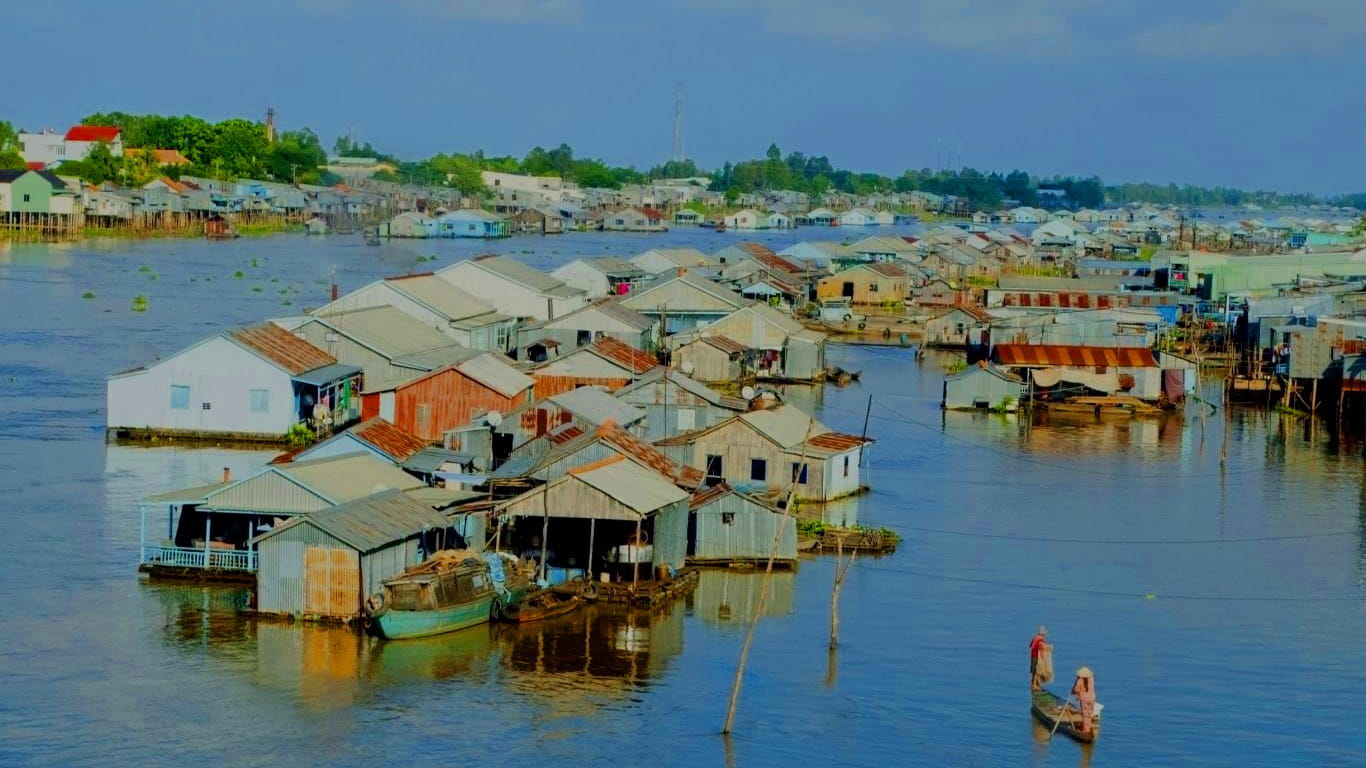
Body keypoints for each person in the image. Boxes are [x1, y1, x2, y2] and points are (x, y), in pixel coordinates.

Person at [1071, 667, 1097, 734]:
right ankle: (1088, 727)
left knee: (1085, 715)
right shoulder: (1092, 678)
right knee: (1090, 713)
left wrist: (1075, 690)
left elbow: (1075, 690)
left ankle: (1085, 730)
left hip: (1084, 698)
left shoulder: (1079, 680)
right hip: (1092, 698)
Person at [1029, 626, 1049, 691]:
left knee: (1033, 671)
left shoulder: (1035, 637)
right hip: (1037, 656)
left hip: (1032, 655)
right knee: (1037, 670)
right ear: (1043, 634)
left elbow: (1030, 645)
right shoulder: (1041, 639)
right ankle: (1035, 685)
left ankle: (1033, 684)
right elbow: (1041, 648)